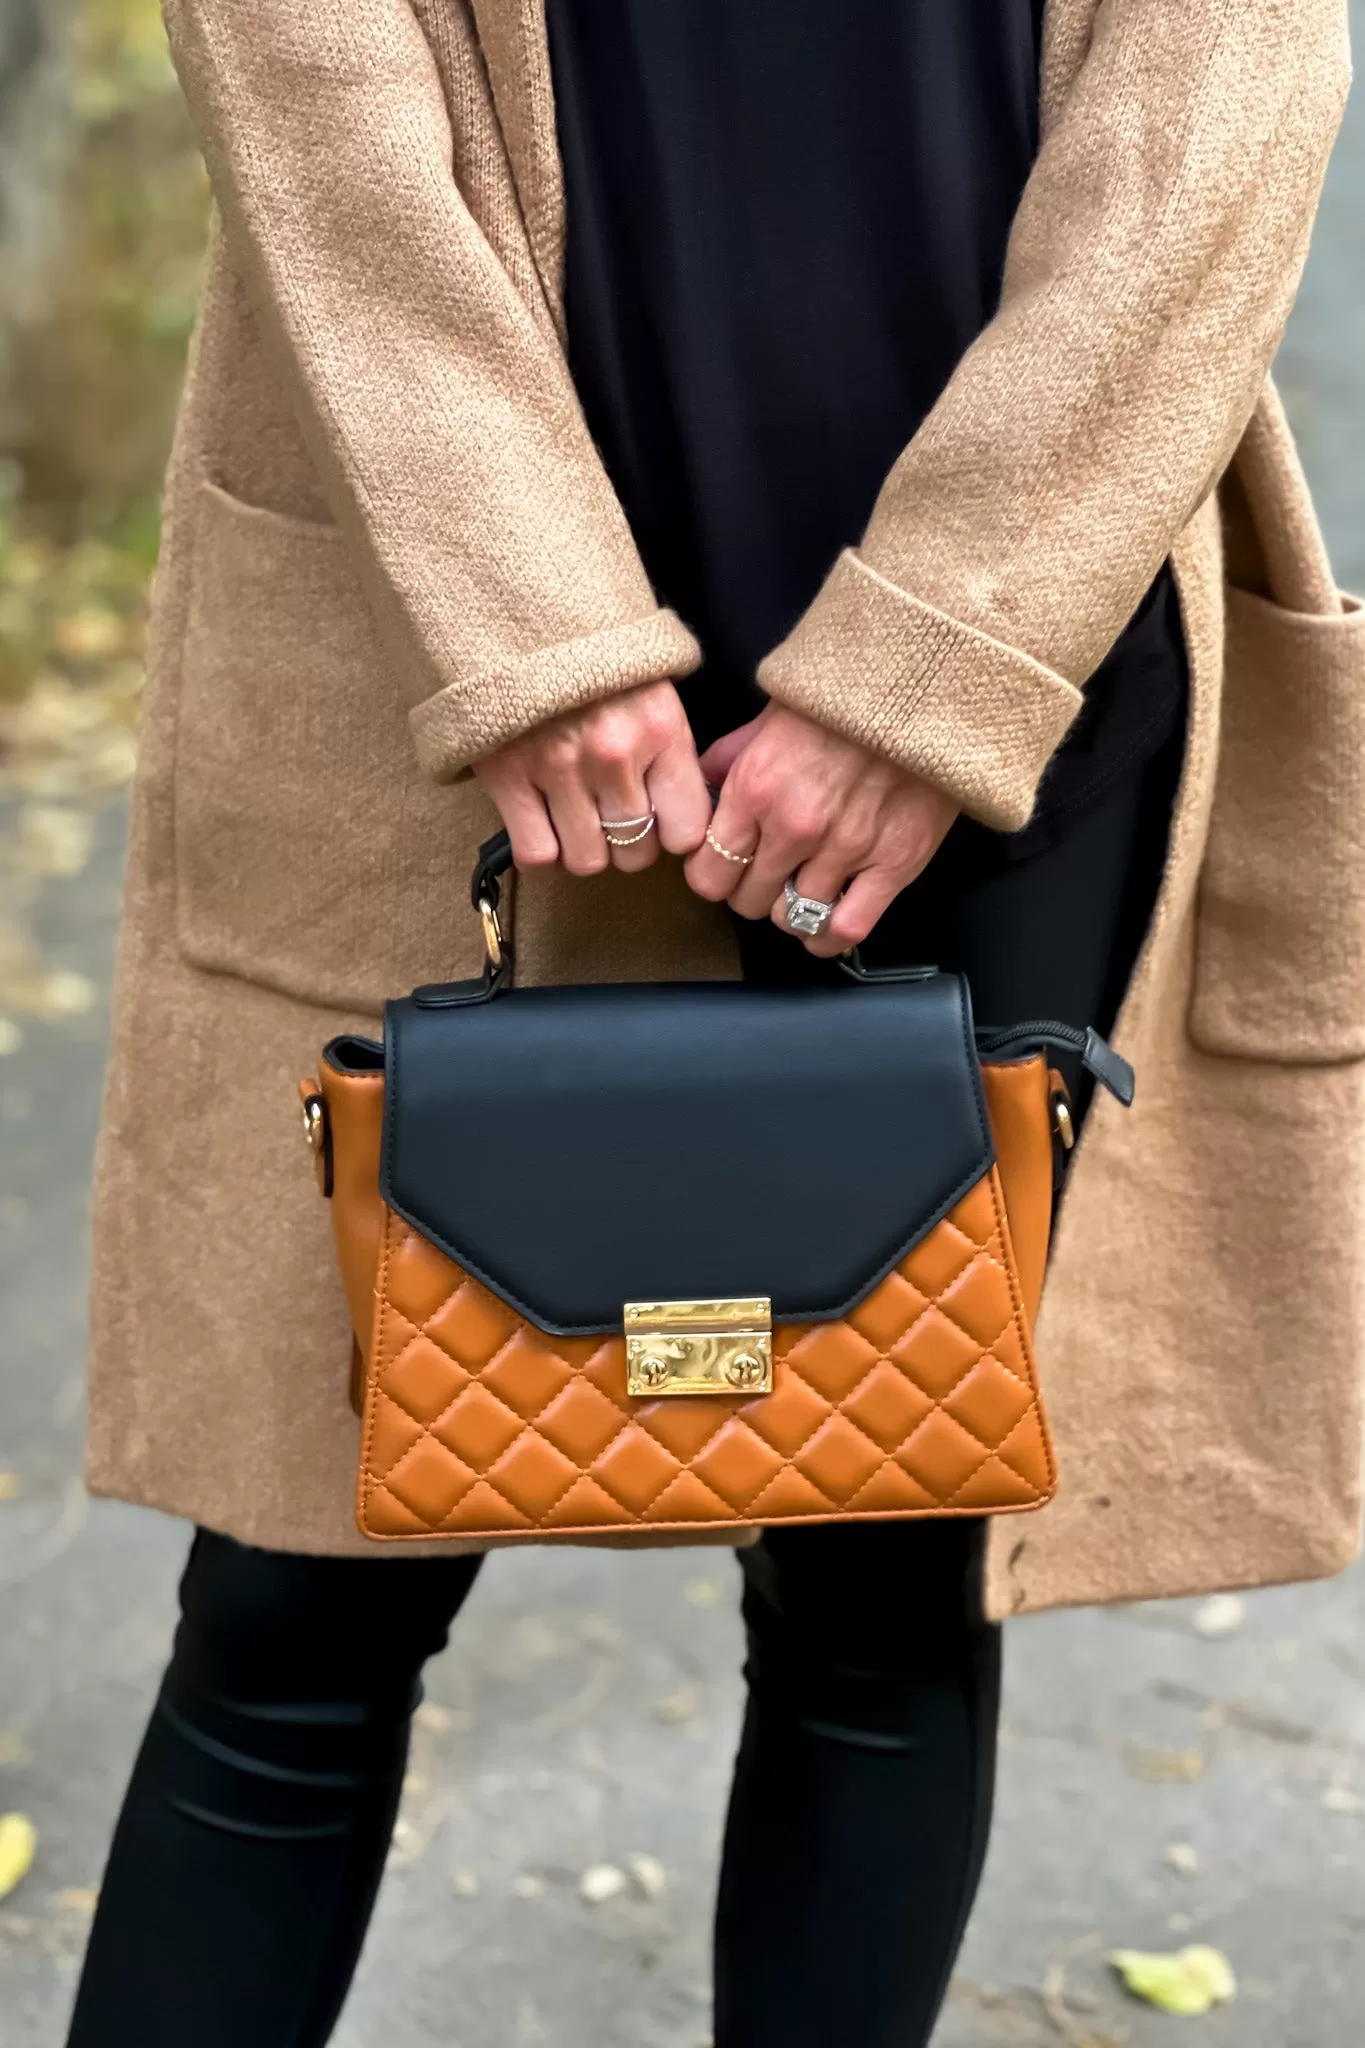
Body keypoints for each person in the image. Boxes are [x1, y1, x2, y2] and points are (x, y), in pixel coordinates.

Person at [71, 3, 1362, 2044]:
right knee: (294, 1605)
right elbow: (311, 90)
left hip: (1025, 643)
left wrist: (941, 654)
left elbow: (1226, 94)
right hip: (430, 638)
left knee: (887, 1592)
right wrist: (529, 629)